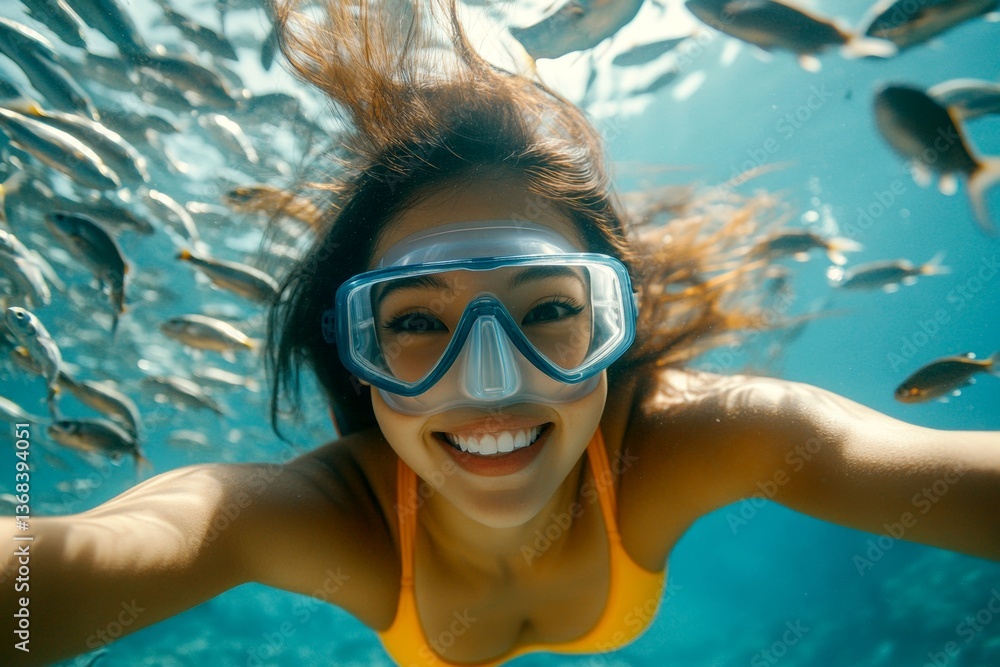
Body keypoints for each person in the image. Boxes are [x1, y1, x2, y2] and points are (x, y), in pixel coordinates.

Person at [3, 1, 999, 665]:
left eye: (551, 311)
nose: (488, 381)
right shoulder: (323, 517)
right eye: (416, 322)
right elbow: (84, 564)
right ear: (351, 349)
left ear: (615, 322)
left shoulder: (702, 436)